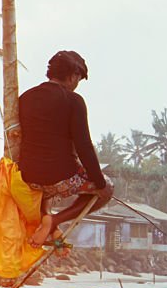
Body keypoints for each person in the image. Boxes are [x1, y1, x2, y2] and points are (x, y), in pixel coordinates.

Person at [18, 50, 114, 247]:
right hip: (60, 178)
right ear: (73, 76)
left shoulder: (25, 98)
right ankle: (54, 221)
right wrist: (100, 182)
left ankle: (49, 223)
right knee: (108, 187)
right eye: (78, 79)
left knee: (45, 190)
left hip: (28, 177)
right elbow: (84, 145)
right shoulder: (74, 100)